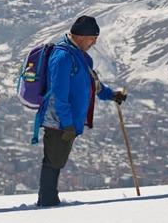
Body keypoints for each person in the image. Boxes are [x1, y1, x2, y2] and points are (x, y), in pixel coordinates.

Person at [34, 15, 127, 207]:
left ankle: (47, 199)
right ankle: (48, 201)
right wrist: (66, 123)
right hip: (58, 120)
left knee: (57, 159)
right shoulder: (63, 57)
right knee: (53, 160)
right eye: (93, 38)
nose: (94, 42)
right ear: (81, 36)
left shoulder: (79, 56)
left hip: (67, 121)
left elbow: (92, 84)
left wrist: (111, 95)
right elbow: (60, 95)